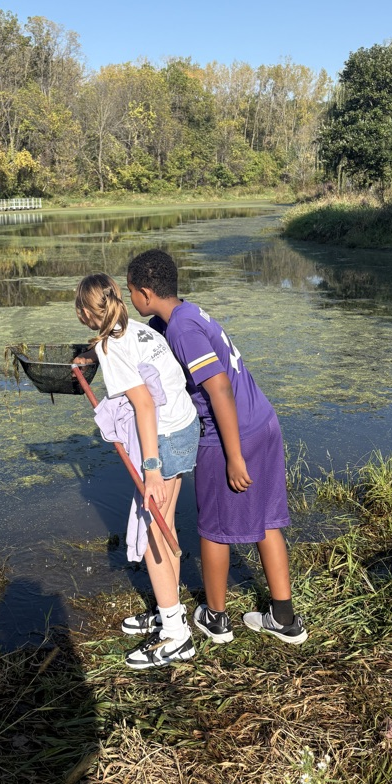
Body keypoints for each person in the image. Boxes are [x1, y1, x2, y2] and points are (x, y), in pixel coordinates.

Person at [125, 249, 307, 646]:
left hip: (230, 435)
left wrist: (234, 456)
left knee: (213, 529)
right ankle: (283, 617)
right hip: (263, 422)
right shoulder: (182, 314)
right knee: (267, 520)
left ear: (143, 293)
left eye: (130, 294)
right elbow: (144, 337)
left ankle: (216, 618)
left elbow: (219, 387)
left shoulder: (183, 331)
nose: (129, 301)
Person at [74, 273, 201, 669]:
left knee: (157, 533)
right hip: (184, 428)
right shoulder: (139, 331)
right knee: (164, 525)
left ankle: (176, 636)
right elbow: (128, 356)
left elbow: (143, 405)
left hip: (162, 440)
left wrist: (151, 469)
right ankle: (169, 610)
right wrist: (92, 355)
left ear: (85, 311)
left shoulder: (114, 347)